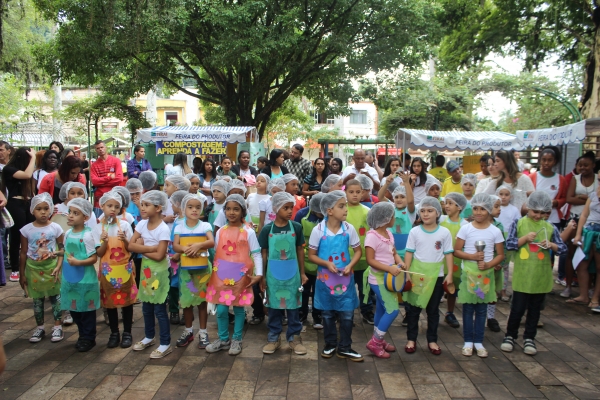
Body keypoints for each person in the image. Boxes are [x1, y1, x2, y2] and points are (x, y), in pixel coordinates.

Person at [502, 192, 566, 356]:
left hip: (540, 276)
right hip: (523, 276)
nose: (538, 216)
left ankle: (529, 337)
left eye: (542, 213)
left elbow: (563, 249)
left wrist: (551, 244)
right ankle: (510, 335)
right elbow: (509, 244)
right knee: (517, 309)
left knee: (535, 310)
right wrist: (524, 239)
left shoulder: (550, 227)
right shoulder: (519, 223)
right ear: (528, 208)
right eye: (534, 211)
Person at [308, 191, 363, 361]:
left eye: (345, 205)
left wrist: (350, 265)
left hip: (345, 279)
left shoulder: (349, 229)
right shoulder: (318, 230)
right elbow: (312, 255)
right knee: (327, 314)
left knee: (347, 314)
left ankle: (345, 346)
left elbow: (358, 251)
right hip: (325, 280)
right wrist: (326, 263)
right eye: (341, 206)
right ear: (329, 210)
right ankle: (330, 343)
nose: (346, 209)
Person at [205, 194, 262, 355]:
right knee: (222, 310)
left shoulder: (248, 232)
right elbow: (218, 253)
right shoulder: (221, 231)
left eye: (236, 209)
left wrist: (259, 274)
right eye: (228, 209)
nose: (231, 212)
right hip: (222, 276)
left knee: (238, 309)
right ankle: (223, 339)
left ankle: (237, 339)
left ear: (243, 211)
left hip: (241, 277)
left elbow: (256, 253)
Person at [454, 194, 505, 358]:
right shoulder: (466, 229)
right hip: (469, 275)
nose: (479, 212)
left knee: (482, 310)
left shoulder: (495, 231)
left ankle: (479, 341)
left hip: (486, 276)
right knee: (468, 309)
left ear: (489, 210)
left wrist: (489, 264)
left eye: (483, 209)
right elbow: (457, 250)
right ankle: (468, 341)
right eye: (475, 208)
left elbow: (500, 255)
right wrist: (472, 257)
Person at [402, 197, 454, 355]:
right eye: (423, 211)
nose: (426, 214)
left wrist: (449, 273)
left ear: (438, 213)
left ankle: (432, 340)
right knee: (413, 309)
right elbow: (409, 253)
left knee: (433, 310)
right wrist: (408, 274)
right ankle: (411, 339)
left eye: (430, 211)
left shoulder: (444, 232)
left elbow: (448, 254)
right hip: (417, 275)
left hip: (436, 276)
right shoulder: (414, 232)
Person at [259, 192, 308, 355]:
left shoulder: (297, 227)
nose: (289, 211)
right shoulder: (267, 230)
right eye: (285, 208)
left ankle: (294, 337)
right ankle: (273, 338)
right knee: (274, 307)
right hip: (272, 276)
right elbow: (264, 253)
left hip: (293, 274)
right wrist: (263, 276)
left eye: (291, 208)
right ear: (276, 208)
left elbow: (300, 249)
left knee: (293, 306)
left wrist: (302, 273)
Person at [129, 190, 173, 359]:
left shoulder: (162, 229)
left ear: (158, 207)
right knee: (146, 307)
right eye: (143, 205)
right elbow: (131, 246)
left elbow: (160, 255)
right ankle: (149, 336)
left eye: (147, 205)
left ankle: (165, 342)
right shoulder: (141, 224)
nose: (143, 208)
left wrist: (143, 248)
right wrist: (150, 248)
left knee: (160, 309)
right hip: (146, 271)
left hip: (160, 271)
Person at [19, 193, 64, 343]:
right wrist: (22, 274)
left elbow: (61, 249)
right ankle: (40, 327)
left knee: (55, 297)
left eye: (46, 208)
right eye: (39, 209)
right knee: (37, 300)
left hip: (51, 268)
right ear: (32, 210)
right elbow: (24, 252)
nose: (43, 212)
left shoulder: (56, 228)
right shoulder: (26, 230)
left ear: (51, 209)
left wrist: (58, 266)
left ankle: (57, 326)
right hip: (33, 269)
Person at [95, 191, 136, 348]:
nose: (113, 209)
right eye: (109, 206)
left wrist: (125, 239)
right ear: (102, 206)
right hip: (107, 270)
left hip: (124, 268)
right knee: (109, 301)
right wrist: (104, 241)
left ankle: (127, 332)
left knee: (126, 302)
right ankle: (114, 333)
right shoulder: (99, 227)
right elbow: (99, 253)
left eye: (116, 207)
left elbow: (130, 247)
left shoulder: (124, 225)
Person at [173, 194, 214, 349]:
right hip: (186, 271)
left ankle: (203, 332)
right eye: (190, 207)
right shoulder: (179, 227)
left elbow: (211, 241)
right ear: (184, 209)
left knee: (202, 302)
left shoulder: (204, 226)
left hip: (202, 270)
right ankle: (188, 331)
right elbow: (176, 245)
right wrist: (184, 248)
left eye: (198, 207)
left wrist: (198, 245)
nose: (194, 210)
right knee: (187, 302)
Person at [363, 202, 402, 358]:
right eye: (392, 215)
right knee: (393, 310)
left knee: (381, 309)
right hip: (378, 280)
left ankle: (379, 338)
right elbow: (370, 260)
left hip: (389, 279)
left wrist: (398, 261)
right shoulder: (372, 237)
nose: (394, 218)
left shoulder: (389, 233)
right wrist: (389, 268)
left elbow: (393, 252)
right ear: (385, 218)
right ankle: (375, 341)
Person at [61, 197, 100, 352]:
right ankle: (82, 334)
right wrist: (54, 255)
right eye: (70, 212)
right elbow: (65, 252)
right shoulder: (67, 233)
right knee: (74, 309)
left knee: (87, 311)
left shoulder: (88, 235)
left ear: (85, 217)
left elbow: (93, 257)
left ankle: (88, 337)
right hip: (69, 278)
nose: (70, 215)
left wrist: (78, 262)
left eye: (75, 213)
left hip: (85, 278)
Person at [564, 152, 597, 293]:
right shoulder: (575, 179)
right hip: (575, 218)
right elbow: (569, 199)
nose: (583, 167)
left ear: (593, 165)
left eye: (586, 165)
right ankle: (568, 285)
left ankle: (589, 287)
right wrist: (589, 199)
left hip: (593, 222)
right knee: (570, 253)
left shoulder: (598, 179)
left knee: (590, 256)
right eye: (580, 165)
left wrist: (586, 197)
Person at [3, 147, 36, 282]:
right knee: (17, 236)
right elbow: (27, 175)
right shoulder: (9, 169)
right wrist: (33, 157)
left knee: (31, 234)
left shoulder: (27, 170)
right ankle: (15, 269)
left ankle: (30, 264)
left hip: (27, 203)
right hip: (14, 204)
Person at [345, 179, 374, 324]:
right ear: (345, 193)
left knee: (365, 288)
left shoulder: (367, 211)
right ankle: (346, 313)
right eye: (351, 192)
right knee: (347, 288)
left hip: (364, 258)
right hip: (346, 259)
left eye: (358, 192)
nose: (355, 195)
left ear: (363, 193)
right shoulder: (342, 210)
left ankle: (367, 311)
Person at [295, 192, 325, 329]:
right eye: (318, 212)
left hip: (322, 260)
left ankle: (318, 316)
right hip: (304, 259)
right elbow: (295, 236)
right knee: (304, 290)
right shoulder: (302, 215)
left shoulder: (328, 217)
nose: (321, 214)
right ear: (312, 208)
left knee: (319, 290)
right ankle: (302, 314)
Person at [439, 192, 468, 328]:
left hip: (456, 262)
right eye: (446, 203)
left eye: (451, 203)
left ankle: (449, 312)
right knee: (437, 286)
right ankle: (432, 311)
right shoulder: (441, 220)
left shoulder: (465, 225)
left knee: (452, 289)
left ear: (460, 207)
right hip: (439, 260)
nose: (447, 206)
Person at [495, 185, 521, 301]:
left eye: (506, 194)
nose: (503, 197)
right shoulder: (495, 208)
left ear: (511, 196)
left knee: (505, 266)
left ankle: (503, 290)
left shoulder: (514, 210)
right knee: (495, 264)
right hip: (496, 239)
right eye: (501, 194)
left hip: (508, 239)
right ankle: (494, 289)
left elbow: (518, 225)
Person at [90, 140, 123, 217]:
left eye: (102, 147)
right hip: (99, 199)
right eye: (98, 148)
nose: (100, 149)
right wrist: (109, 178)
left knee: (116, 221)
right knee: (99, 221)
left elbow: (119, 178)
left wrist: (101, 182)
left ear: (106, 147)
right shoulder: (94, 165)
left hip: (114, 196)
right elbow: (94, 182)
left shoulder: (116, 161)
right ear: (96, 150)